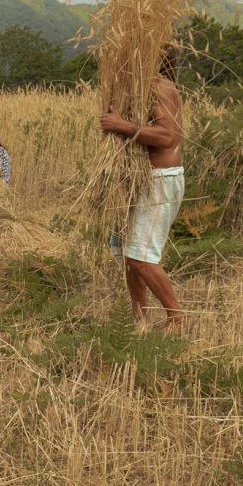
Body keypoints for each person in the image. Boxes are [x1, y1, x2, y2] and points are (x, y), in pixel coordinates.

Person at [99, 46, 185, 331]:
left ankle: (177, 320)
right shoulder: (141, 89)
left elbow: (168, 137)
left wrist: (122, 125)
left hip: (160, 180)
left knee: (140, 256)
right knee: (129, 255)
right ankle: (140, 322)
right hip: (139, 181)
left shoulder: (161, 87)